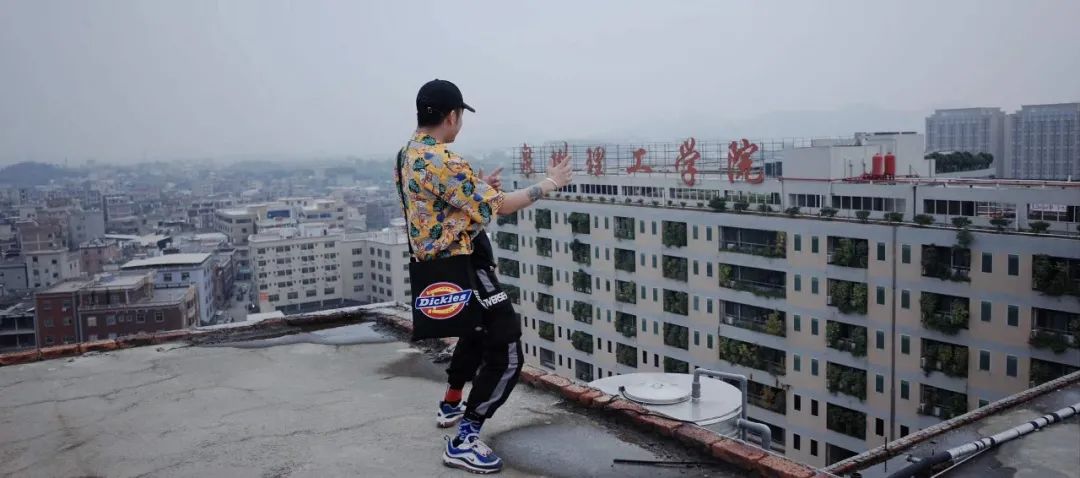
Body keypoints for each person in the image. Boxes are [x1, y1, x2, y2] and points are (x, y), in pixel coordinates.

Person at [396, 79, 573, 474]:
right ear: (451, 116)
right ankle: (464, 439)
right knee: (508, 351)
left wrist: (478, 191)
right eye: (460, 116)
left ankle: (451, 403)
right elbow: (504, 206)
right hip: (464, 265)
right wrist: (550, 183)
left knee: (475, 333)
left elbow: (438, 207)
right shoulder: (444, 160)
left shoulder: (408, 154)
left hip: (438, 268)